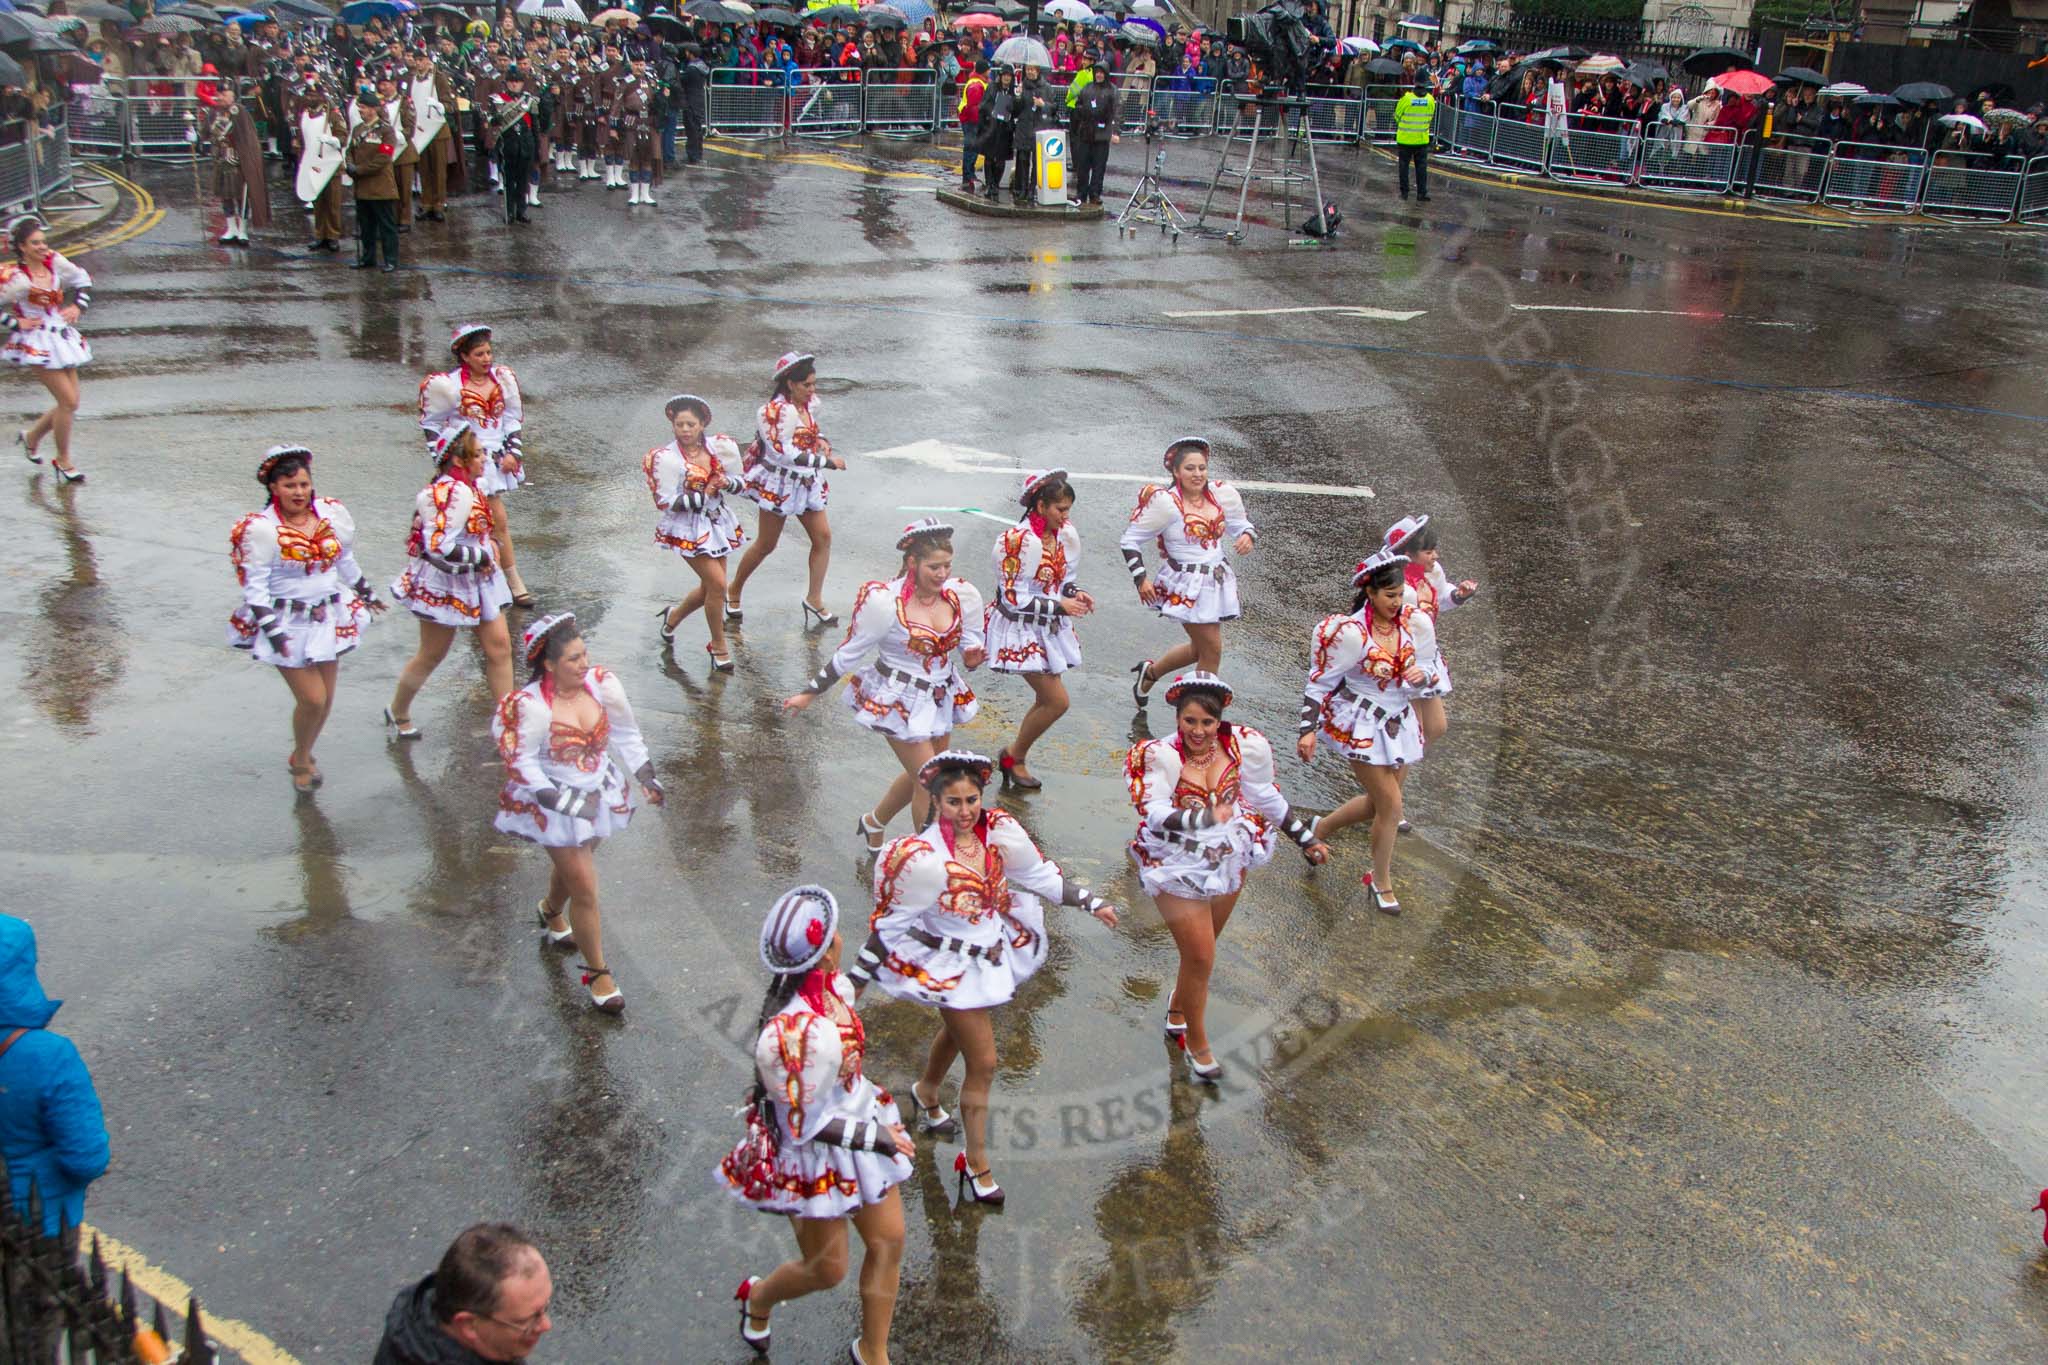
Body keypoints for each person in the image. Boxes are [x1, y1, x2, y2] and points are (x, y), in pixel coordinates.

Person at [848, 751, 1117, 1204]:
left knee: (957, 1038)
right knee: (985, 1063)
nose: (966, 810)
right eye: (954, 802)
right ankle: (976, 1163)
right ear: (934, 800)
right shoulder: (922, 859)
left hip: (990, 957)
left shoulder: (997, 834)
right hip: (947, 970)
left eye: (972, 799)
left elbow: (1038, 876)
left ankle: (927, 1092)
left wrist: (1091, 902)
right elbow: (889, 926)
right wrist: (852, 986)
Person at [718, 886, 913, 1365]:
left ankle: (873, 1352)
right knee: (827, 1269)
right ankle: (759, 1297)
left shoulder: (821, 990)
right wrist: (880, 1138)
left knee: (889, 1240)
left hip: (857, 1123)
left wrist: (893, 923)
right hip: (811, 1150)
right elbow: (806, 1126)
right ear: (826, 951)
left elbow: (853, 986)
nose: (841, 943)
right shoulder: (793, 1033)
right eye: (836, 938)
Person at [1126, 672, 1325, 1081]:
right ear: (1178, 719)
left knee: (1201, 952)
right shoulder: (1160, 755)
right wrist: (1201, 817)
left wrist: (1304, 838)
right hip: (1174, 862)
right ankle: (1197, 1045)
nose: (1198, 731)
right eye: (1190, 722)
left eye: (1207, 723)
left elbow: (1264, 795)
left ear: (1220, 721)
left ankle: (1178, 1007)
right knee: (1201, 956)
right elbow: (1156, 812)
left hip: (1228, 859)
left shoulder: (1243, 746)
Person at [781, 519, 985, 853]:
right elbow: (849, 652)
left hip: (940, 696)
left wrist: (973, 656)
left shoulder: (959, 596)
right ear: (912, 563)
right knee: (933, 780)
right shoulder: (886, 604)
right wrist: (809, 692)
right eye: (934, 566)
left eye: (947, 565)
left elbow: (969, 645)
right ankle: (932, 860)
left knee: (925, 772)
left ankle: (873, 822)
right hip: (899, 699)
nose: (942, 574)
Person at [493, 613, 662, 1013]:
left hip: (598, 793)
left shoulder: (602, 685)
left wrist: (647, 775)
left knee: (576, 867)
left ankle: (550, 910)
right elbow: (523, 763)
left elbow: (625, 732)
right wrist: (564, 803)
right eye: (573, 658)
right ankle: (598, 974)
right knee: (585, 888)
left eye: (584, 654)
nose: (584, 663)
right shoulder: (531, 707)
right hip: (553, 801)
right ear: (549, 665)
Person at [228, 446, 385, 793]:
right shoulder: (263, 529)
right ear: (273, 488)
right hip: (286, 621)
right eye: (289, 486)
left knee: (326, 700)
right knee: (312, 699)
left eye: (303, 484)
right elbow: (254, 588)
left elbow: (344, 558)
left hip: (328, 614)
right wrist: (272, 631)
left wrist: (365, 590)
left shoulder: (327, 515)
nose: (298, 492)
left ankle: (303, 751)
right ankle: (301, 758)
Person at [1296, 548, 1439, 913]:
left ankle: (1321, 828)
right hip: (1362, 725)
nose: (1397, 602)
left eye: (1400, 594)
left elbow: (1428, 672)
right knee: (1392, 806)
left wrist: (1420, 677)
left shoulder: (1413, 625)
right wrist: (1307, 729)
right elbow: (1319, 683)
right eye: (1389, 595)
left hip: (1401, 725)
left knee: (1378, 804)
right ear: (1371, 593)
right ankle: (1380, 880)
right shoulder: (1351, 635)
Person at [386, 423, 516, 737]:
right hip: (447, 580)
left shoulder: (470, 486)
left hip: (478, 580)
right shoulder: (452, 492)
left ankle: (508, 725)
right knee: (432, 654)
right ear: (458, 460)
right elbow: (438, 546)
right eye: (479, 454)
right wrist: (483, 557)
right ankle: (398, 710)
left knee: (499, 648)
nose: (485, 459)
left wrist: (492, 548)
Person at [1121, 437, 1255, 705]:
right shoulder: (1166, 504)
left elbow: (1241, 524)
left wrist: (1247, 536)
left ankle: (1151, 673)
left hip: (1217, 581)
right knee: (1213, 650)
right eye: (1190, 469)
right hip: (1186, 584)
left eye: (1202, 468)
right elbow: (1130, 539)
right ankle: (1203, 711)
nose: (1197, 475)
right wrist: (1141, 579)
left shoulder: (1220, 495)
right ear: (1176, 472)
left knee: (1199, 649)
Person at [985, 469, 1092, 789]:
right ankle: (1014, 756)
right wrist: (1061, 606)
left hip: (1045, 627)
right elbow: (1015, 600)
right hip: (1019, 629)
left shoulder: (1063, 535)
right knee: (1056, 701)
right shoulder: (1019, 542)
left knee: (1049, 699)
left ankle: (1015, 757)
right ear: (1041, 506)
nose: (1065, 516)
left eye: (1068, 509)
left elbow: (1060, 583)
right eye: (1060, 509)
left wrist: (1075, 595)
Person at [419, 323, 535, 606]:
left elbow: (511, 420)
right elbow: (431, 425)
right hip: (466, 463)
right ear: (465, 356)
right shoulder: (449, 386)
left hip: (493, 464)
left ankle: (512, 581)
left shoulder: (501, 380)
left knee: (498, 521)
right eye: (480, 354)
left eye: (488, 352)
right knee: (465, 525)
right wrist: (446, 461)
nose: (486, 359)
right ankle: (464, 582)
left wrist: (513, 453)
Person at [728, 351, 846, 627]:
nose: (812, 390)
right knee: (766, 544)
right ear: (790, 384)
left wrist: (822, 441)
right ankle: (733, 590)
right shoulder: (775, 412)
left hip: (805, 483)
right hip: (779, 484)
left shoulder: (808, 405)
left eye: (814, 384)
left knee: (823, 538)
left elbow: (810, 431)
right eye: (807, 385)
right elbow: (784, 453)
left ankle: (814, 599)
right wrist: (827, 462)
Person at [646, 393, 747, 670]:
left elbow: (742, 484)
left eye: (691, 424)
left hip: (717, 524)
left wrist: (725, 482)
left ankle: (673, 618)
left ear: (702, 424)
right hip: (686, 527)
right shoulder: (667, 459)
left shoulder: (720, 448)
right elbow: (666, 501)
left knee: (708, 589)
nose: (685, 430)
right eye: (680, 425)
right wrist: (705, 493)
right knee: (717, 585)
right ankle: (718, 645)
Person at [373, 1224, 553, 1365]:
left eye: (545, 1307)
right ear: (469, 1325)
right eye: (526, 1321)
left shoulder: (420, 1313)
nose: (546, 1325)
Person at [3, 216, 91, 483]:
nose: (43, 247)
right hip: (36, 341)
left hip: (62, 337)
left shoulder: (55, 262)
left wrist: (78, 306)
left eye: (43, 241)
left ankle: (31, 437)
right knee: (69, 402)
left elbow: (83, 280)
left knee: (69, 403)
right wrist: (14, 322)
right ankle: (63, 460)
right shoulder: (15, 278)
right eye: (35, 243)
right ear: (21, 247)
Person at [346, 86, 401, 272]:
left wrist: (359, 170)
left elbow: (383, 159)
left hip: (380, 187)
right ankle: (368, 258)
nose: (360, 110)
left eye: (362, 107)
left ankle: (391, 259)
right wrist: (349, 165)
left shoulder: (386, 131)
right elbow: (349, 152)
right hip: (362, 188)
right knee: (366, 227)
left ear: (373, 109)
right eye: (359, 107)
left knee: (386, 227)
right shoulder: (357, 129)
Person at [209, 81, 269, 245]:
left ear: (232, 96)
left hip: (238, 160)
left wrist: (247, 157)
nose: (221, 97)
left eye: (225, 94)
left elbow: (249, 136)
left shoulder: (239, 111)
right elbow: (208, 132)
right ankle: (231, 229)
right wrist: (193, 134)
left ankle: (242, 230)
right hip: (222, 158)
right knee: (226, 195)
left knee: (241, 196)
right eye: (219, 94)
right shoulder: (214, 113)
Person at [411, 48, 458, 222]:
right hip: (420, 130)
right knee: (424, 169)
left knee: (438, 169)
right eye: (416, 60)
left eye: (422, 59)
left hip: (437, 130)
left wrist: (440, 106)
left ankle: (439, 203)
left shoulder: (438, 77)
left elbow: (450, 104)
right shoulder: (413, 79)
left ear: (429, 61)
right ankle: (427, 202)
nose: (418, 63)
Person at [1068, 56, 1119, 206]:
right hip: (1086, 131)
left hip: (1102, 134)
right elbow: (1078, 105)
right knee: (1082, 165)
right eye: (1097, 72)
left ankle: (1095, 193)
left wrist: (1115, 132)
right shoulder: (1087, 88)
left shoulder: (1112, 90)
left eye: (1102, 72)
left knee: (1099, 166)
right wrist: (1082, 112)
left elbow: (1118, 112)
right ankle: (1081, 192)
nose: (1099, 75)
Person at [491, 66, 539, 222]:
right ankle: (509, 211)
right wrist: (495, 119)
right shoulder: (498, 99)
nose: (514, 84)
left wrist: (536, 147)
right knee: (509, 181)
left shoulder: (529, 101)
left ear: (522, 83)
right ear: (506, 83)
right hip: (508, 145)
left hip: (525, 145)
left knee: (523, 180)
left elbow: (535, 126)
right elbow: (493, 125)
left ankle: (521, 211)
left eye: (517, 82)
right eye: (511, 81)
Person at [1011, 60, 1053, 204]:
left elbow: (1054, 108)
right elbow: (1015, 110)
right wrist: (1017, 96)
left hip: (1039, 129)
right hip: (1024, 128)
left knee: (1037, 162)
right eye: (1028, 69)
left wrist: (1043, 105)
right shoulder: (1022, 87)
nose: (1030, 72)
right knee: (1023, 161)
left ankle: (1032, 189)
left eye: (1032, 69)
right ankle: (1022, 189)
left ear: (1038, 71)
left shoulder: (1046, 87)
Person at [977, 64, 1017, 202]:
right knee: (989, 158)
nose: (1006, 78)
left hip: (1005, 130)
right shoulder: (992, 88)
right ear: (1000, 76)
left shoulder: (1013, 92)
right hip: (991, 128)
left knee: (1001, 161)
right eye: (1004, 75)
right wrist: (991, 113)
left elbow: (1016, 110)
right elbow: (984, 105)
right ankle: (989, 184)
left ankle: (996, 184)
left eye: (1009, 76)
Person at [1394, 73, 1434, 201]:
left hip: (1405, 139)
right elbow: (1430, 116)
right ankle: (1421, 193)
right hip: (1421, 139)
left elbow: (1397, 116)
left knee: (1403, 167)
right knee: (1421, 168)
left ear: (1414, 82)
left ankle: (1404, 192)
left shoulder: (1406, 99)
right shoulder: (1430, 99)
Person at [956, 58, 988, 191]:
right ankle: (968, 176)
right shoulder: (976, 85)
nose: (990, 71)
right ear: (984, 71)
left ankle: (969, 175)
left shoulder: (977, 82)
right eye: (988, 69)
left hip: (969, 120)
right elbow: (974, 107)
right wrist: (980, 122)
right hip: (971, 121)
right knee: (971, 149)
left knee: (971, 148)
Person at [680, 42, 709, 163]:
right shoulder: (702, 66)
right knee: (697, 128)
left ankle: (693, 155)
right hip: (699, 99)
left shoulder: (692, 69)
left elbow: (683, 81)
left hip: (691, 100)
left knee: (692, 129)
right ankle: (698, 153)